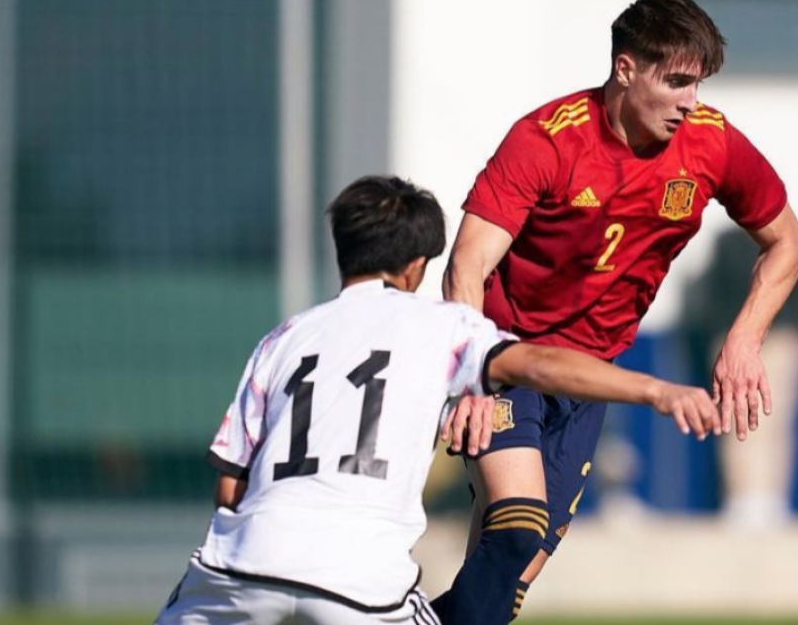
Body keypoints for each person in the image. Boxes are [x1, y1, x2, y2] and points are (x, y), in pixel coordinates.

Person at [153, 175, 719, 625]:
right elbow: (541, 362)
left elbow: (230, 487)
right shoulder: (438, 325)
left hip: (240, 566)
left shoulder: (281, 339)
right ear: (416, 266)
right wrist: (655, 390)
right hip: (358, 582)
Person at [435, 0, 798, 625]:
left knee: (504, 587)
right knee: (518, 527)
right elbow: (467, 263)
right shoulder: (545, 141)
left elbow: (786, 244)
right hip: (510, 359)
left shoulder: (712, 146)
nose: (692, 103)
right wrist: (471, 374)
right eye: (678, 82)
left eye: (700, 85)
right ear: (626, 69)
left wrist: (744, 339)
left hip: (590, 375)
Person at [685, 228, 798, 528]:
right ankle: (749, 498)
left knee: (761, 421)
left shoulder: (783, 239)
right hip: (751, 340)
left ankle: (763, 499)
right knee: (745, 421)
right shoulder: (733, 241)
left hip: (771, 340)